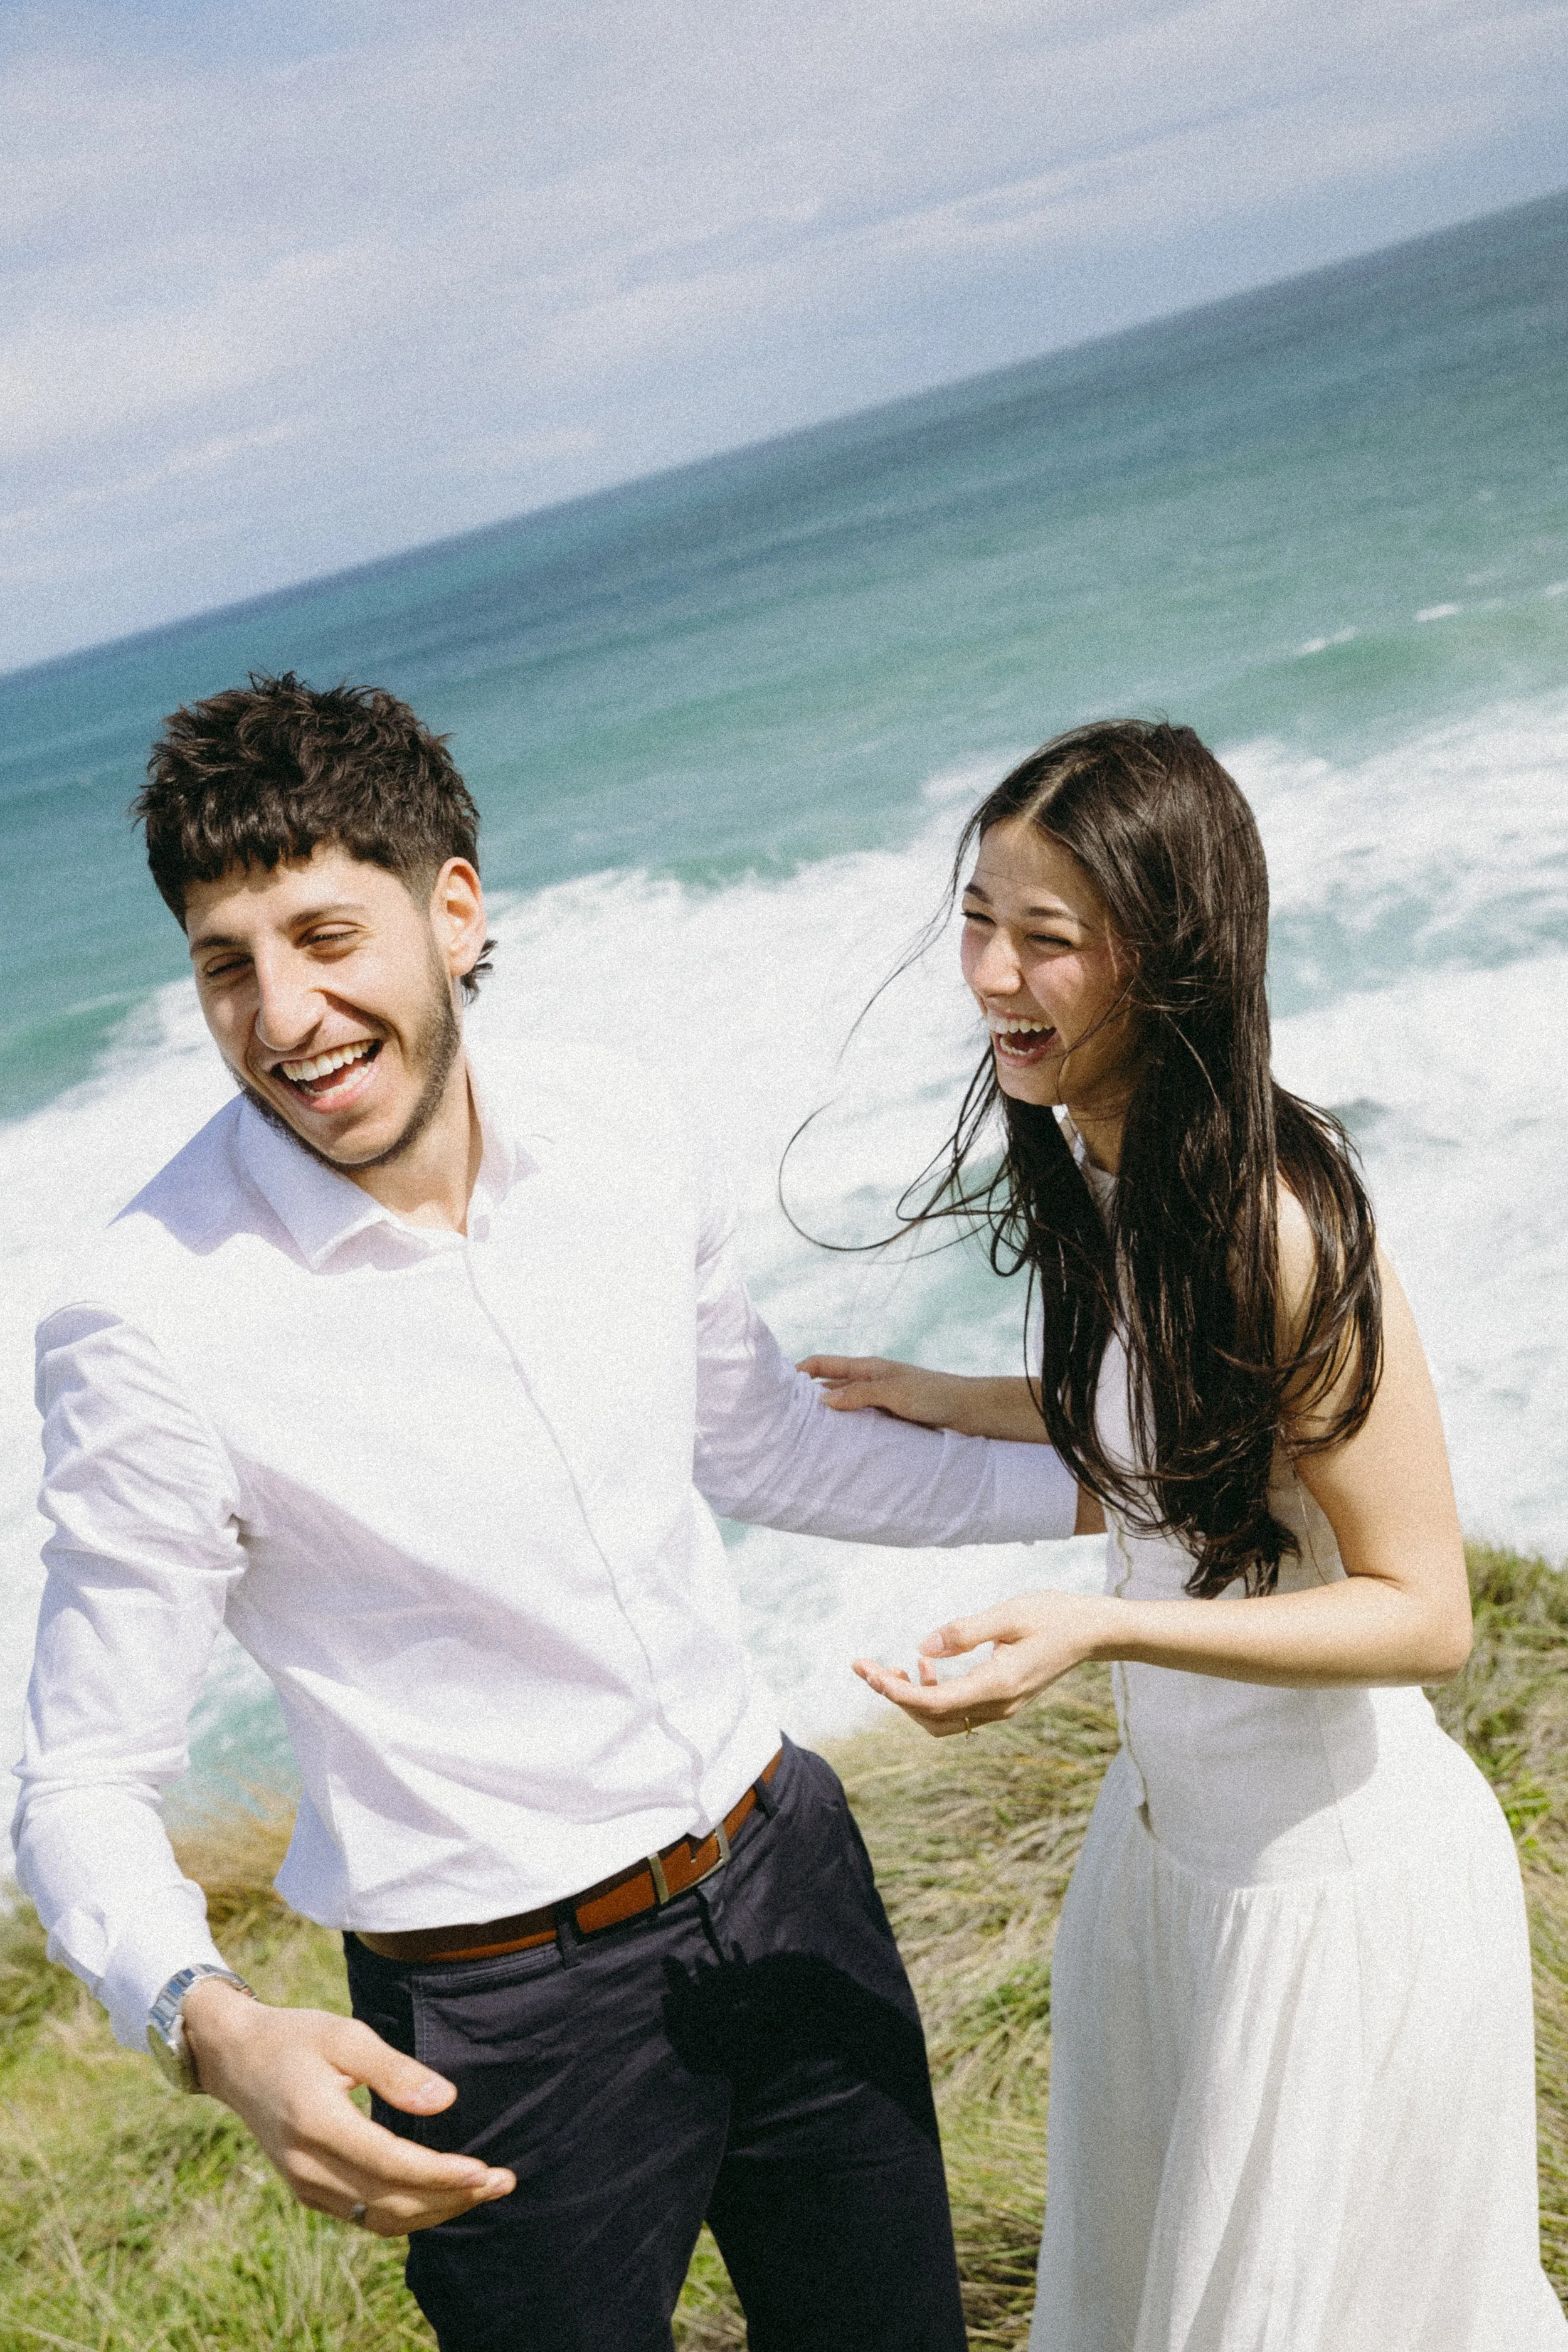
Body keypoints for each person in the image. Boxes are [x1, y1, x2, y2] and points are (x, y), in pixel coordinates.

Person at [12, 674, 1090, 2352]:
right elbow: (83, 1773)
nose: (282, 1013)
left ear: (453, 909)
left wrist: (1119, 1488)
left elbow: (763, 1446)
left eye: (322, 934)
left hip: (786, 1866)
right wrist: (209, 2022)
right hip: (504, 2016)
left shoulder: (614, 1123)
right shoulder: (146, 1321)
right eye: (227, 961)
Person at [803, 719, 1568, 2352]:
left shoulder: (1272, 1219)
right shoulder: (1100, 1151)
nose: (990, 971)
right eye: (975, 915)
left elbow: (1424, 1610)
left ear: (1163, 958)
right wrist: (930, 1394)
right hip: (1167, 1872)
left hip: (1330, 1916)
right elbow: (1161, 1413)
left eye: (1046, 936)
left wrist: (1098, 1627)